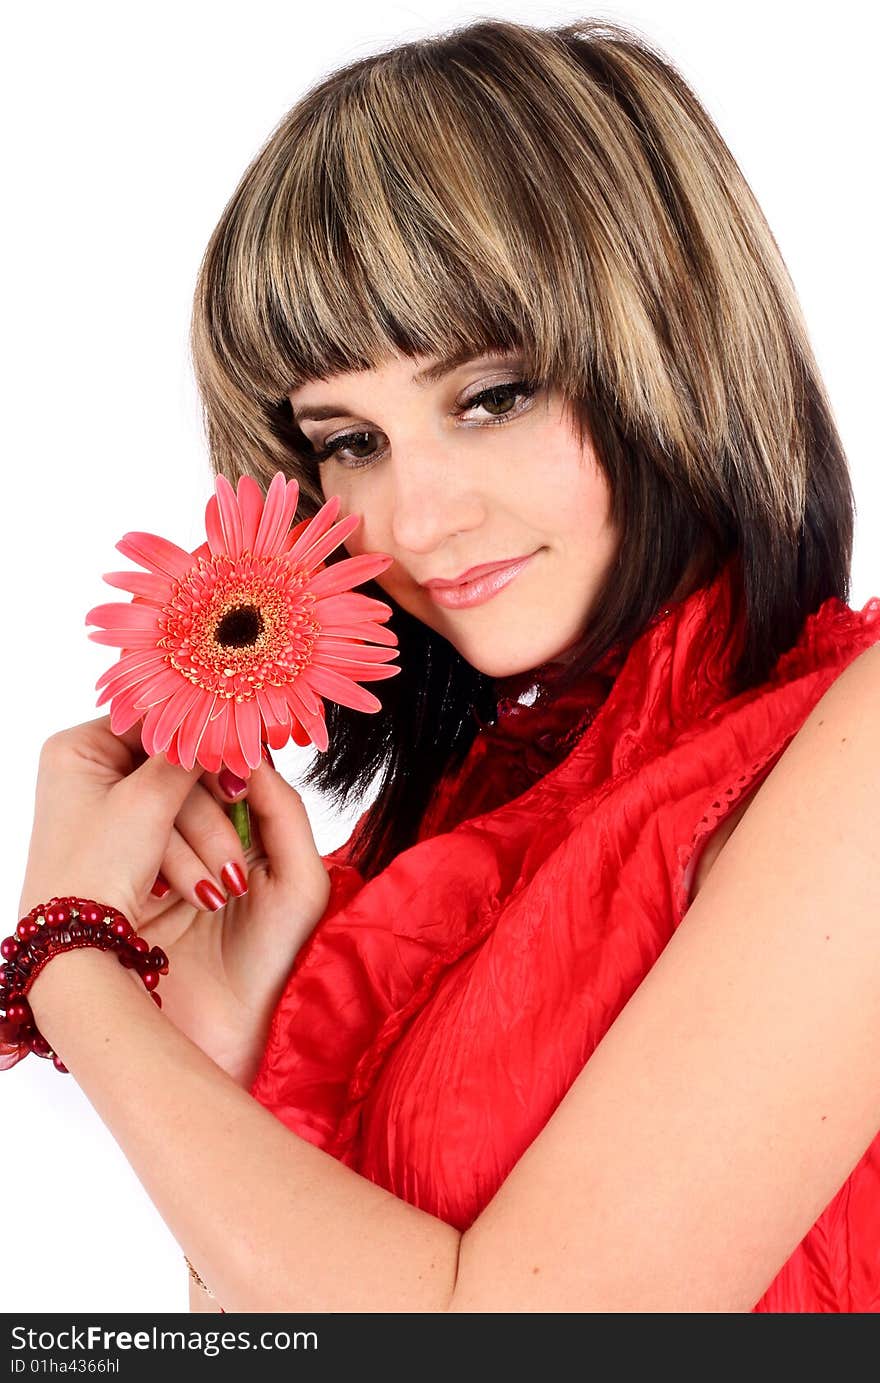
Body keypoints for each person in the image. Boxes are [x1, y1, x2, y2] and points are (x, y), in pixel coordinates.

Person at [12, 16, 880, 1313]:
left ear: (676, 336)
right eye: (350, 440)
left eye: (493, 396)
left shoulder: (853, 750)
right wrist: (244, 1051)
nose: (413, 523)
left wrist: (72, 966)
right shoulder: (403, 870)